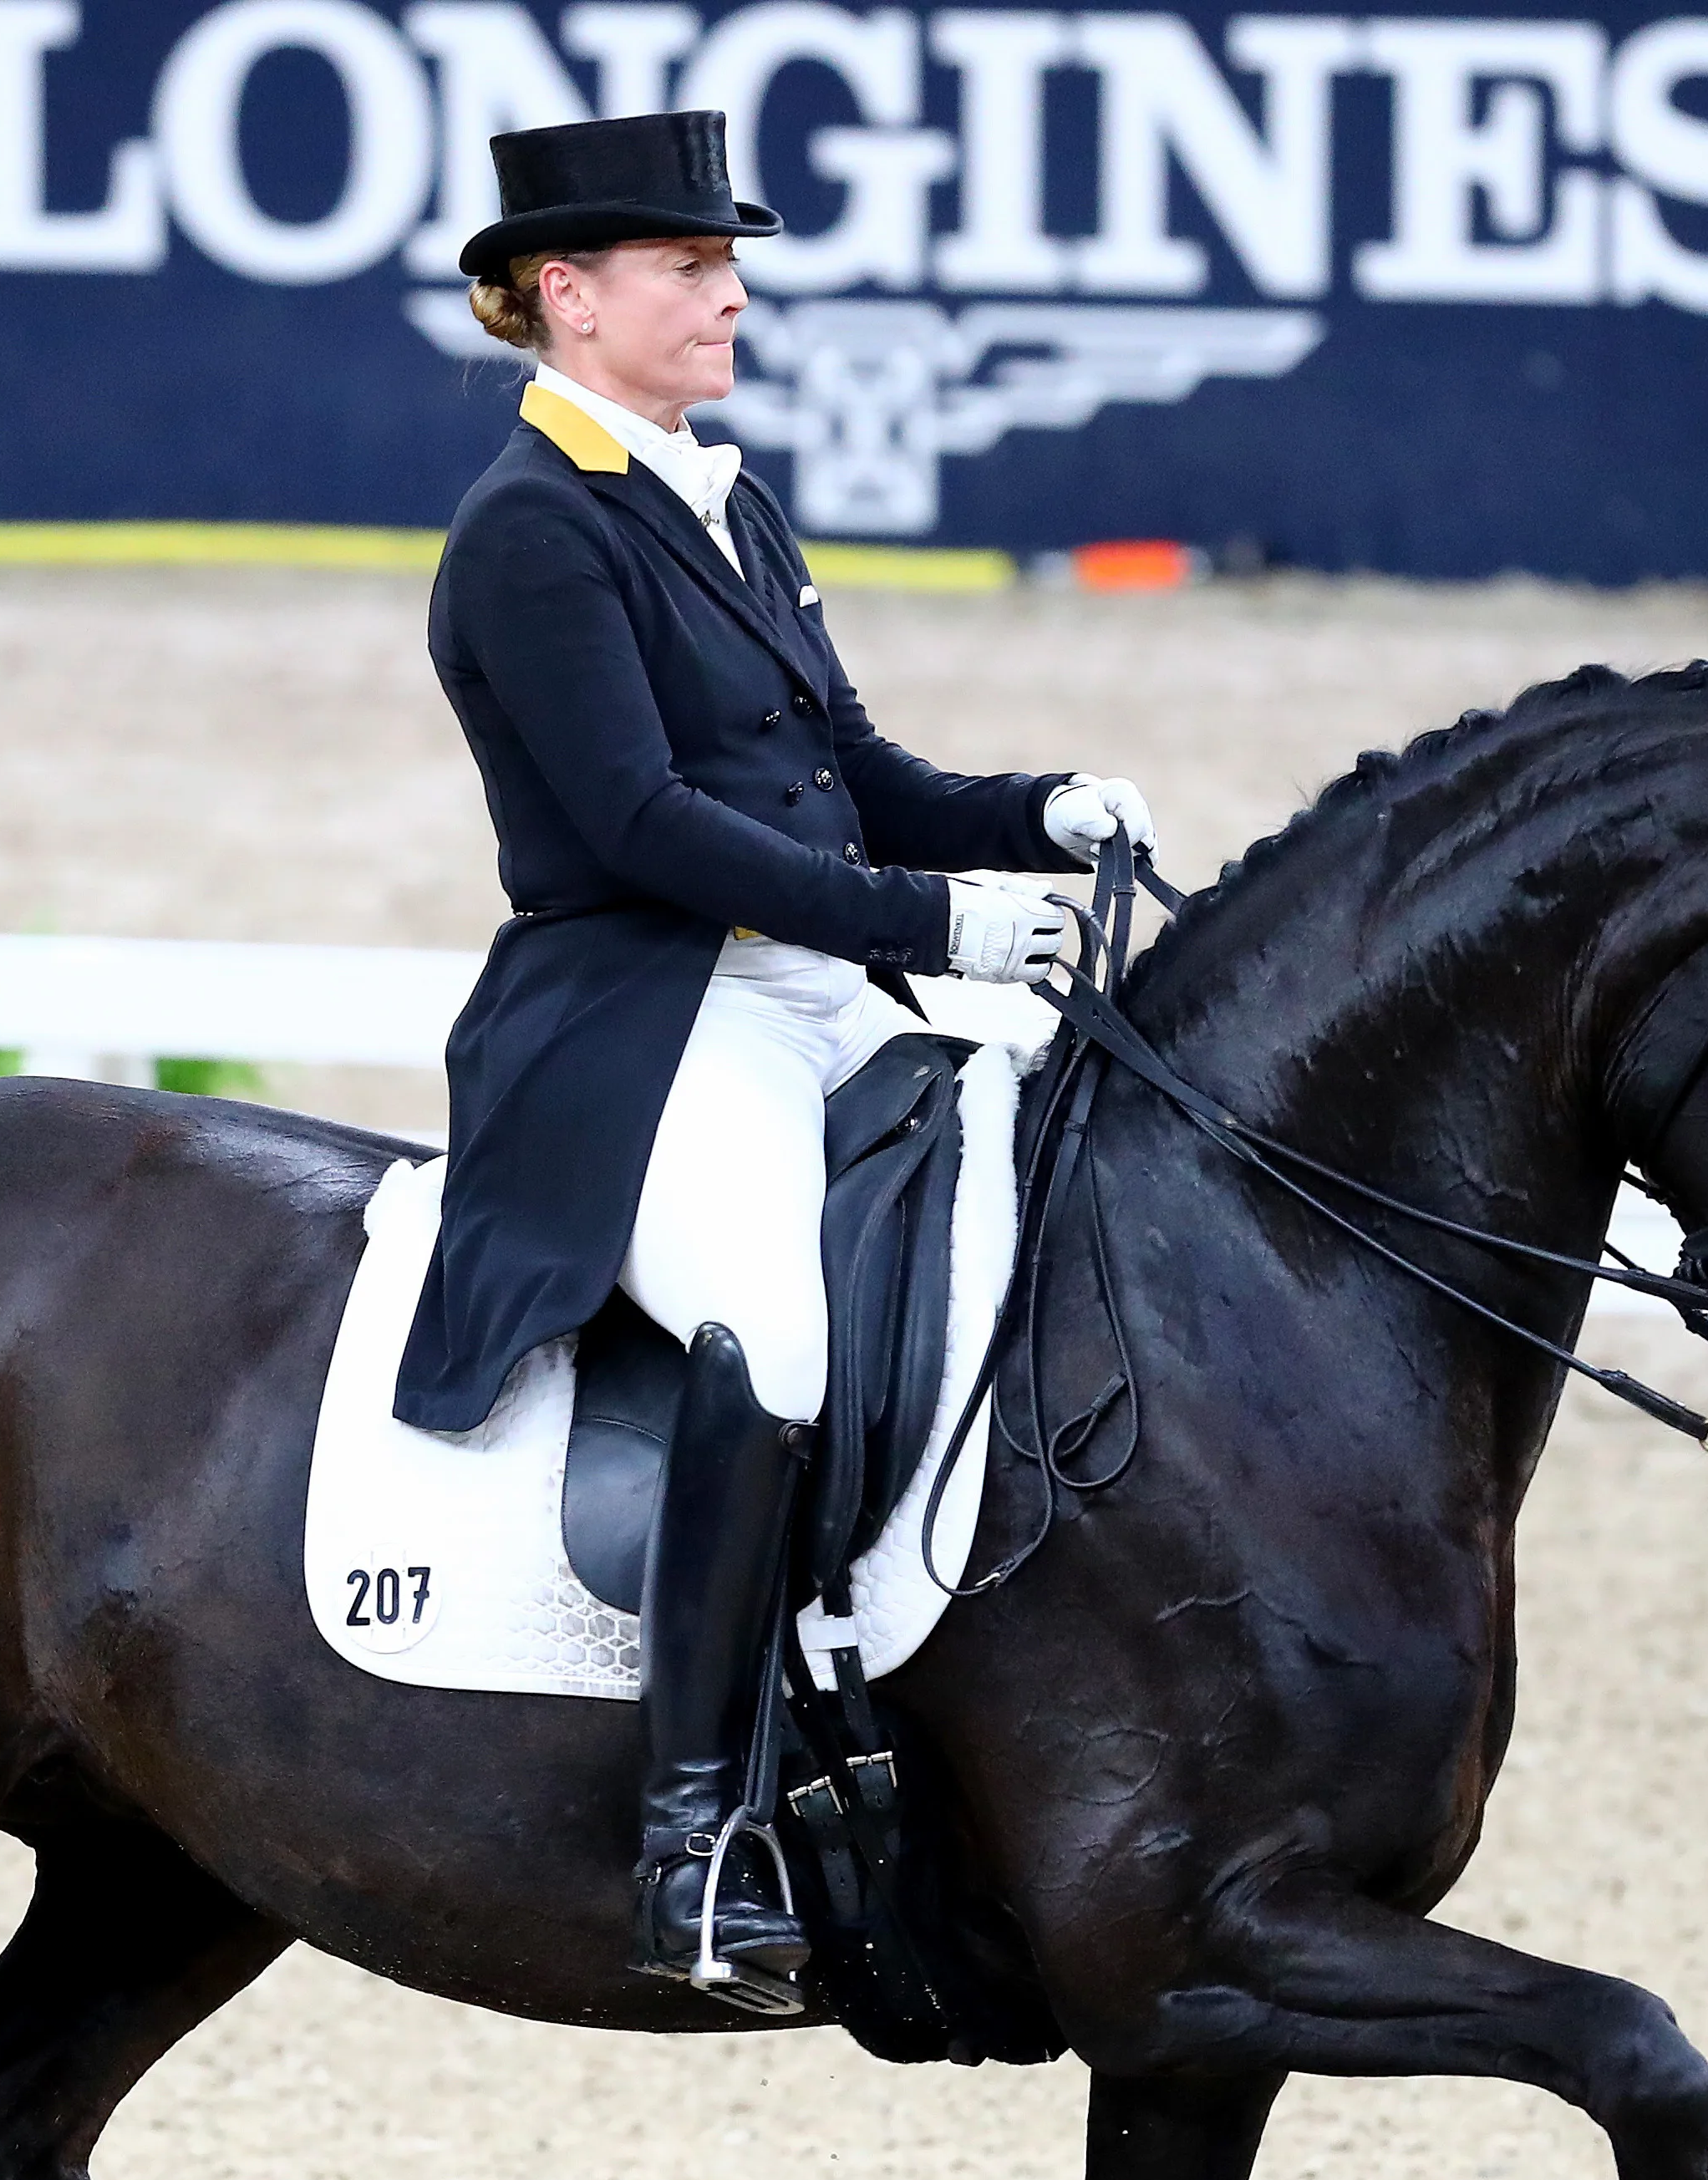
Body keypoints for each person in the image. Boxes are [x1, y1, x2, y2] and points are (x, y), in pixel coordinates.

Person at [394, 109, 1156, 2012]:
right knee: (775, 1331)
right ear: (566, 297)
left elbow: (854, 777)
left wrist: (1027, 812)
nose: (729, 291)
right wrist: (930, 926)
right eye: (683, 266)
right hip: (644, 1020)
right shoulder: (527, 535)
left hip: (809, 985)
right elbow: (645, 825)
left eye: (726, 262)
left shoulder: (718, 497)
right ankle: (692, 1832)